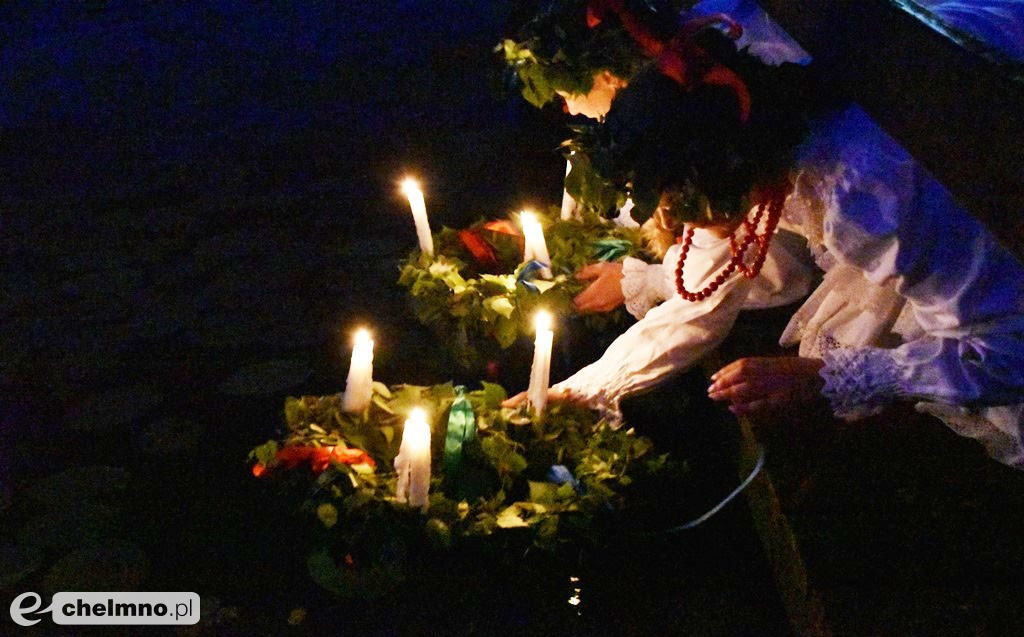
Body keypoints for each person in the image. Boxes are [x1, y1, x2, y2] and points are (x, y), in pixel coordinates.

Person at [533, 5, 1024, 468]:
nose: (682, 228)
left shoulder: (871, 198)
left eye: (681, 209)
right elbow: (701, 285)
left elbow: (1008, 348)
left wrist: (823, 379)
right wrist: (580, 390)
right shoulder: (747, 121)